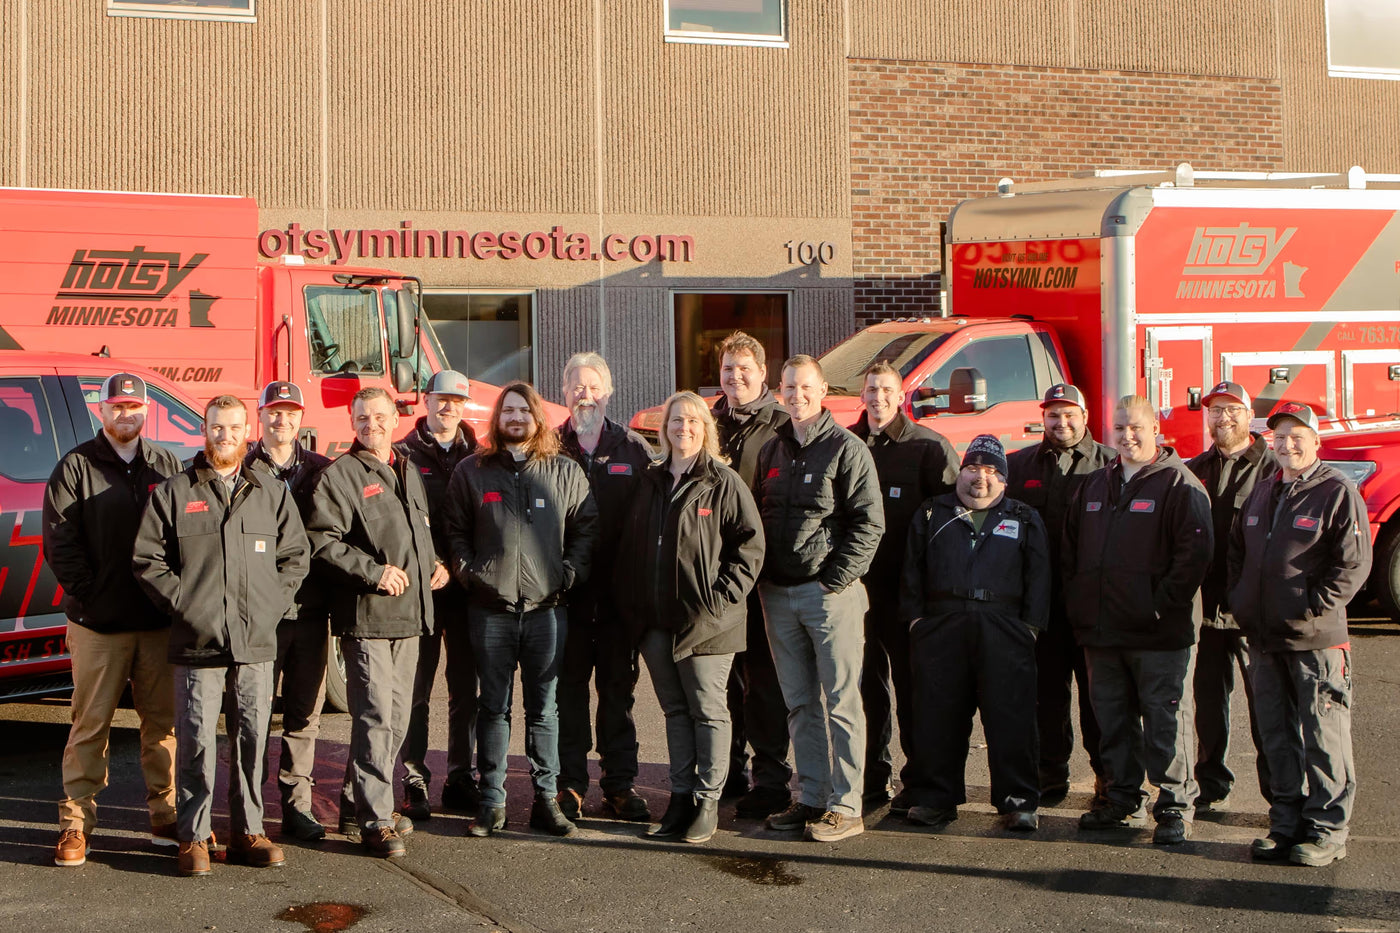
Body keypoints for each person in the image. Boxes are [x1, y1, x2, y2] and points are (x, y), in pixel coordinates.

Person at [134, 395, 309, 876]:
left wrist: (268, 610)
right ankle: (193, 836)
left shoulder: (270, 492)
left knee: (252, 737)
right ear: (204, 430)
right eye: (216, 427)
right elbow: (148, 561)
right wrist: (190, 608)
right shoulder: (175, 492)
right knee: (196, 739)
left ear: (247, 432)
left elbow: (295, 557)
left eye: (233, 427)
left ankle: (248, 831)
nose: (225, 436)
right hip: (198, 641)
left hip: (255, 640)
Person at [444, 381, 599, 838]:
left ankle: (546, 801)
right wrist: (471, 574)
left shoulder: (565, 471)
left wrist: (567, 575)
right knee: (492, 707)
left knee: (544, 710)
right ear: (498, 418)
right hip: (489, 610)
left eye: (524, 411)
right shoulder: (472, 471)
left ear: (537, 418)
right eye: (508, 411)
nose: (516, 418)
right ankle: (492, 802)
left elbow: (586, 528)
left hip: (546, 611)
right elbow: (454, 530)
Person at [42, 373, 184, 867]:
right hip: (98, 625)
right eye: (117, 406)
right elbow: (60, 543)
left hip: (156, 622)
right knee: (90, 724)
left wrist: (173, 598)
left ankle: (167, 816)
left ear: (147, 410)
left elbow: (182, 537)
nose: (126, 414)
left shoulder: (166, 464)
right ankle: (75, 823)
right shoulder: (75, 466)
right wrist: (92, 597)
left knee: (162, 726)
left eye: (134, 406)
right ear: (100, 410)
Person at [1063, 394, 1212, 845]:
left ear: (1156, 431)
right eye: (1120, 428)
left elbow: (1194, 556)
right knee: (1113, 721)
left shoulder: (1179, 484)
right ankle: (1123, 799)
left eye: (1136, 427)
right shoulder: (1095, 484)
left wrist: (1157, 606)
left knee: (1167, 722)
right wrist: (1082, 605)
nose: (1127, 436)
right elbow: (1071, 550)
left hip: (1158, 634)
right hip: (1103, 632)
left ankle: (1175, 806)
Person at [305, 387, 446, 859]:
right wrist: (373, 572)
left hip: (410, 616)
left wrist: (434, 564)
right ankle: (376, 820)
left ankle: (355, 803)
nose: (373, 425)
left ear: (394, 419)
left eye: (380, 416)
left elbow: (416, 534)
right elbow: (322, 542)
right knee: (376, 718)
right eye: (363, 418)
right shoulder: (340, 476)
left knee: (398, 719)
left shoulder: (407, 468)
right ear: (352, 422)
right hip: (367, 618)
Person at [617, 392, 764, 844]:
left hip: (708, 623)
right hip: (656, 623)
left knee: (709, 710)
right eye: (676, 421)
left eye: (693, 421)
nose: (684, 428)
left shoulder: (723, 482)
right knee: (676, 711)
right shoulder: (650, 480)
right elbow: (631, 545)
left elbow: (750, 548)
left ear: (706, 428)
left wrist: (718, 601)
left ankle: (707, 800)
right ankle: (680, 798)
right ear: (664, 429)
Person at [1229, 401, 1371, 867]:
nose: (1287, 444)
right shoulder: (1263, 491)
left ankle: (1327, 831)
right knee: (1276, 736)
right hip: (1265, 639)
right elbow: (1238, 552)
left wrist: (1311, 607)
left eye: (1297, 436)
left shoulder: (1336, 491)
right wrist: (1242, 600)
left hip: (1316, 641)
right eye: (1280, 436)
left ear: (1316, 441)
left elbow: (1353, 564)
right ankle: (1285, 823)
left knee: (1324, 737)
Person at [755, 354, 884, 843]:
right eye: (789, 387)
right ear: (780, 392)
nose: (797, 395)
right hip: (777, 596)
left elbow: (869, 523)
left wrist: (834, 580)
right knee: (800, 704)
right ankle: (812, 797)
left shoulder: (847, 449)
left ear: (823, 390)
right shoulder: (772, 451)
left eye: (806, 386)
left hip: (828, 595)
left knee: (842, 703)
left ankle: (846, 806)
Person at [900, 435, 1050, 832]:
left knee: (1011, 718)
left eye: (990, 470)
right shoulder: (931, 512)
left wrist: (1030, 628)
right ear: (960, 473)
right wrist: (917, 622)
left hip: (1004, 627)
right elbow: (911, 570)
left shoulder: (1024, 517)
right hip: (942, 626)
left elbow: (1039, 576)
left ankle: (1018, 801)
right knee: (938, 717)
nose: (980, 477)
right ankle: (936, 799)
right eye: (972, 468)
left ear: (1004, 479)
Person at [851, 361, 957, 810]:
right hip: (856, 592)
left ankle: (921, 781)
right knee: (863, 691)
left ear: (901, 396)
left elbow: (952, 523)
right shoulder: (847, 444)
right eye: (871, 389)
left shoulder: (928, 448)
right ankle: (872, 778)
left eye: (886, 390)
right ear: (863, 395)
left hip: (909, 594)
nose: (878, 398)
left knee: (915, 691)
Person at [556, 352, 655, 823]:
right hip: (566, 599)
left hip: (618, 602)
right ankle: (570, 784)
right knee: (568, 695)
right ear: (564, 393)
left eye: (594, 387)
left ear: (608, 393)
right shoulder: (549, 448)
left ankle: (619, 784)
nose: (586, 395)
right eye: (577, 387)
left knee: (618, 693)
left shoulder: (634, 449)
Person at [1006, 383, 1113, 805]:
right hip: (1040, 605)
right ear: (1043, 418)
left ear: (1085, 417)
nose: (1061, 422)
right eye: (1053, 414)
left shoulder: (1109, 465)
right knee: (1045, 697)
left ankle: (1108, 777)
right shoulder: (1019, 466)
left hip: (1093, 606)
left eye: (1069, 414)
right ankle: (1049, 774)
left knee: (1099, 698)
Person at [244, 381, 334, 843]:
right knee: (253, 715)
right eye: (274, 412)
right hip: (261, 616)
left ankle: (297, 806)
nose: (282, 420)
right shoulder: (242, 470)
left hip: (312, 613)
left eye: (290, 412)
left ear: (301, 418)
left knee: (304, 715)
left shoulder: (322, 471)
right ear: (260, 416)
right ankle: (249, 809)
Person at [711, 331, 795, 820]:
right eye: (728, 369)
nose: (735, 377)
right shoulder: (709, 421)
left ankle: (771, 779)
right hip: (716, 575)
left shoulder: (782, 425)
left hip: (762, 573)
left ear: (763, 373)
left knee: (763, 682)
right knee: (722, 679)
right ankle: (728, 771)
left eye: (744, 369)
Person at [1184, 381, 1277, 811]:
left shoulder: (1272, 469)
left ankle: (1279, 792)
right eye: (1216, 410)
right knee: (1207, 703)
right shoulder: (1194, 468)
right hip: (1206, 607)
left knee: (1267, 706)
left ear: (1249, 416)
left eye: (1232, 410)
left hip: (1253, 611)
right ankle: (1210, 782)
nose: (1223, 418)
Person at [396, 370, 481, 821]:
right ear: (426, 400)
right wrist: (431, 562)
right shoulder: (402, 455)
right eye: (441, 399)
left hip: (465, 590)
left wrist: (461, 567)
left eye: (457, 401)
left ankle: (460, 776)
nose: (449, 407)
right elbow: (400, 522)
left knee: (465, 688)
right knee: (417, 688)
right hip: (422, 588)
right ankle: (414, 777)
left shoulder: (481, 457)